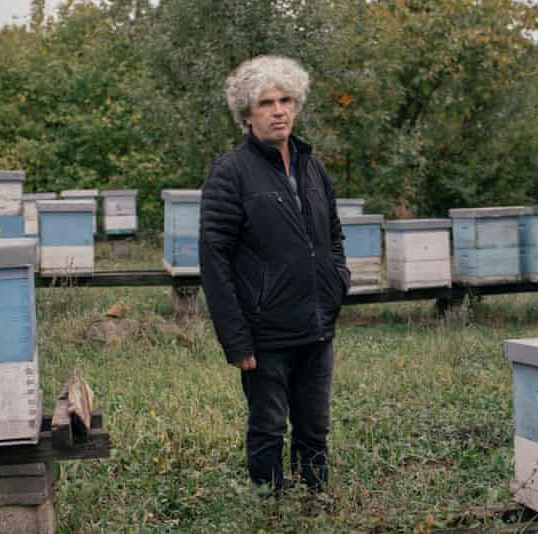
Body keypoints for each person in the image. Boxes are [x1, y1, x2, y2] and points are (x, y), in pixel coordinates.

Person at [199, 55, 350, 493]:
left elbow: (333, 233)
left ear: (297, 105)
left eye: (286, 99)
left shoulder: (311, 165)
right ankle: (269, 505)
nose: (278, 110)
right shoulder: (230, 173)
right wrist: (236, 338)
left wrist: (337, 280)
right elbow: (214, 258)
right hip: (265, 332)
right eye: (266, 102)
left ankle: (314, 498)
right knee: (268, 427)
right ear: (247, 115)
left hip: (317, 324)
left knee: (315, 427)